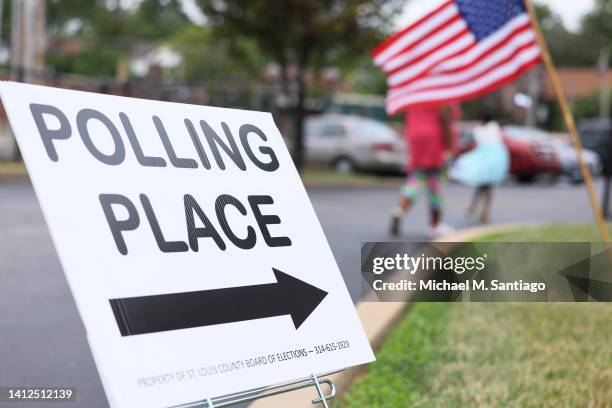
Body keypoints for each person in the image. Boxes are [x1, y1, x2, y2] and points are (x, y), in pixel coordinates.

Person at [390, 104, 459, 238]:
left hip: (416, 141)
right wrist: (450, 147)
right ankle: (435, 225)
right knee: (435, 187)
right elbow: (445, 118)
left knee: (414, 182)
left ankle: (399, 210)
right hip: (434, 142)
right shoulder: (441, 94)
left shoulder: (417, 95)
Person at [449, 112, 509, 223]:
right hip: (494, 160)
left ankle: (475, 208)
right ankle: (483, 212)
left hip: (484, 160)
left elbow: (471, 142)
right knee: (487, 188)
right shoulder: (494, 128)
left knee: (482, 186)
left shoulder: (478, 130)